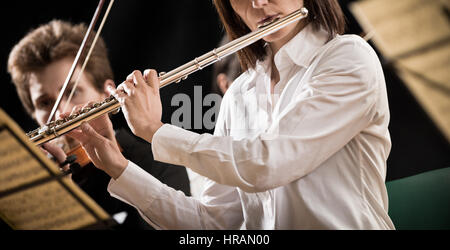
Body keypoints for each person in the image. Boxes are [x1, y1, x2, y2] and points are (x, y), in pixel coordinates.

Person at [68, 0, 395, 229]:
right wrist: (117, 166)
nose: (259, 2)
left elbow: (267, 163)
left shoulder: (347, 58)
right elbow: (211, 225)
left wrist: (156, 130)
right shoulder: (239, 94)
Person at [7, 20, 191, 229]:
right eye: (45, 103)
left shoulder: (158, 164)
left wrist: (61, 203)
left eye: (73, 92)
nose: (59, 113)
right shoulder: (25, 184)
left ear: (107, 94)